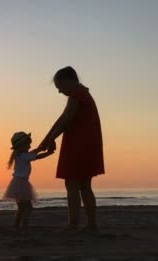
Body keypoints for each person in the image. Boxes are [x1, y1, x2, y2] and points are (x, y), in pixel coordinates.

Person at [38, 66, 105, 233]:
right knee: (84, 185)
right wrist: (47, 139)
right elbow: (62, 118)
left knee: (73, 184)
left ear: (68, 81)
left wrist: (51, 139)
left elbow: (66, 120)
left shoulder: (77, 94)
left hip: (79, 144)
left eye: (59, 87)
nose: (59, 92)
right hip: (88, 144)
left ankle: (73, 225)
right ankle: (91, 224)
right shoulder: (83, 93)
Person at [4, 131, 56, 233]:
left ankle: (17, 226)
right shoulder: (24, 156)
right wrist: (48, 152)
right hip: (22, 184)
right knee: (28, 208)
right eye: (28, 144)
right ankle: (24, 227)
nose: (29, 146)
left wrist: (41, 148)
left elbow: (33, 152)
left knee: (21, 208)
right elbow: (37, 156)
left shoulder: (20, 155)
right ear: (21, 146)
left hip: (17, 183)